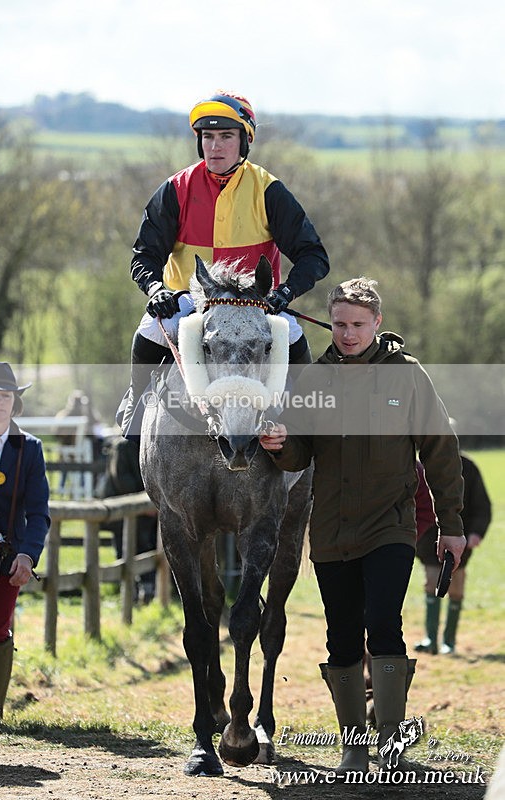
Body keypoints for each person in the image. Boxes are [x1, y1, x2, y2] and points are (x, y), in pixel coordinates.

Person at [260, 277, 466, 774]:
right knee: (343, 637)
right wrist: (280, 444)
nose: (347, 334)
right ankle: (354, 746)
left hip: (390, 527)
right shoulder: (314, 379)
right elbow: (299, 453)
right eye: (339, 324)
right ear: (329, 323)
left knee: (384, 624)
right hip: (330, 530)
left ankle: (391, 747)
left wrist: (451, 524)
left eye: (357, 324)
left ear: (377, 322)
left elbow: (441, 453)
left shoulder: (407, 376)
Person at [118, 90, 330, 436]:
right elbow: (144, 254)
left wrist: (285, 293)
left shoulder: (269, 190)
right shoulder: (175, 188)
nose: (214, 146)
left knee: (293, 334)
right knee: (148, 331)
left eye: (226, 137)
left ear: (245, 141)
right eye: (208, 137)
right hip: (189, 303)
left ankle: (306, 419)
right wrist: (156, 288)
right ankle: (135, 407)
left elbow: (314, 256)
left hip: (254, 305)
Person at [0, 361, 50, 724]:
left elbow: (38, 512)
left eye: (5, 396)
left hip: (8, 555)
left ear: (14, 402)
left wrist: (27, 555)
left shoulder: (30, 449)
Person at [414, 455, 491, 655]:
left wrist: (476, 532)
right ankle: (430, 639)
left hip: (459, 539)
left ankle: (449, 641)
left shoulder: (468, 468)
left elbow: (481, 505)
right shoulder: (418, 467)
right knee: (431, 584)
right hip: (427, 539)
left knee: (456, 588)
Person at [97, 435, 157, 603]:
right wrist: (143, 502)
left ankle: (146, 590)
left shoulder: (148, 442)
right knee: (125, 549)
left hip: (145, 507)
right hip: (122, 508)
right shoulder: (123, 446)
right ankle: (130, 592)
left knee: (146, 547)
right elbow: (122, 479)